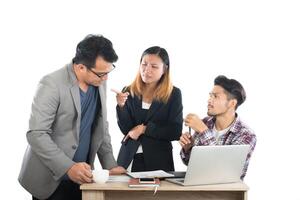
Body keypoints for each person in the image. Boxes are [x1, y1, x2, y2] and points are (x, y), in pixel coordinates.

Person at [18, 34, 126, 200]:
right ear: (81, 67)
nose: (106, 78)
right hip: (50, 179)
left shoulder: (99, 81)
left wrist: (110, 166)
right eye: (101, 74)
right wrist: (69, 167)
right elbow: (36, 134)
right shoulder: (51, 84)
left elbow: (100, 127)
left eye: (108, 71)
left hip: (83, 178)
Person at [113, 46, 183, 172]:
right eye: (144, 64)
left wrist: (145, 129)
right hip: (129, 158)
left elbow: (175, 131)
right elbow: (126, 130)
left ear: (165, 69)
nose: (147, 70)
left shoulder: (174, 94)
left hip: (159, 161)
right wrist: (121, 106)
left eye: (154, 66)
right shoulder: (129, 91)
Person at [179, 75, 256, 180]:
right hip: (198, 186)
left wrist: (203, 131)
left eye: (215, 96)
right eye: (210, 96)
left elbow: (224, 171)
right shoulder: (205, 122)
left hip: (226, 192)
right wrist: (188, 148)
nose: (209, 100)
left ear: (232, 103)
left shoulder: (246, 135)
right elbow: (189, 163)